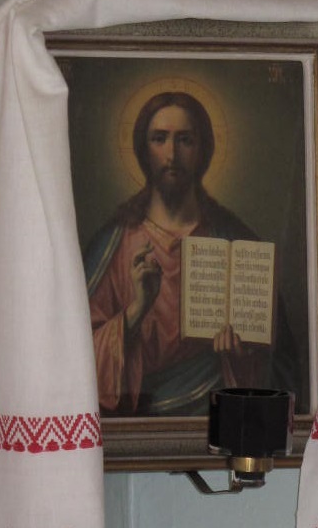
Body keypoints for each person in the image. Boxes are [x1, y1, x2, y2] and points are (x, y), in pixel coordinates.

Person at [84, 91, 296, 416]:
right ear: (143, 149)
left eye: (185, 140)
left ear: (203, 149)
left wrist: (241, 356)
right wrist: (137, 309)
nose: (172, 154)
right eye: (159, 139)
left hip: (216, 415)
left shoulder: (236, 241)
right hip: (135, 419)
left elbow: (281, 364)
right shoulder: (114, 244)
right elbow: (76, 357)